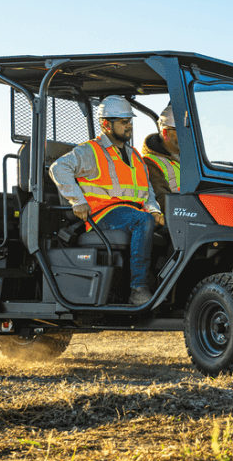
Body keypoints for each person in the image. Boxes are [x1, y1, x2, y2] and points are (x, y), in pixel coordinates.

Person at [50, 96, 159, 305]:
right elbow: (59, 168)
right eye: (123, 121)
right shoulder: (91, 151)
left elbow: (148, 191)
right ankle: (138, 288)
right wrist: (77, 201)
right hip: (103, 215)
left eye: (130, 121)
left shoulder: (135, 155)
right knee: (142, 221)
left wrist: (155, 211)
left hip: (132, 213)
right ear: (106, 124)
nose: (129, 126)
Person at [141, 103, 181, 216]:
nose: (186, 135)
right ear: (165, 133)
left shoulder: (189, 157)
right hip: (177, 218)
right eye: (180, 131)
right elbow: (160, 198)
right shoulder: (150, 162)